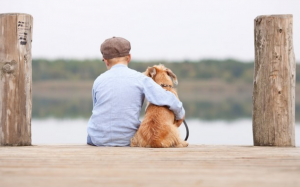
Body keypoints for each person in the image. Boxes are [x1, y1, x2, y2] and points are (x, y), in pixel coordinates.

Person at [87, 37, 185, 146]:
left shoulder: (98, 80)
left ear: (105, 60)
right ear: (129, 57)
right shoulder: (140, 79)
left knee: (92, 130)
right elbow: (167, 98)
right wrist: (180, 114)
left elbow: (96, 109)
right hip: (127, 139)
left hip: (97, 139)